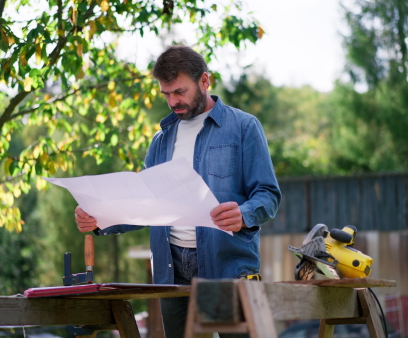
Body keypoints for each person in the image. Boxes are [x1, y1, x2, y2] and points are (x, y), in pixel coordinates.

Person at [74, 45, 281, 338]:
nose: (173, 101)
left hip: (227, 266)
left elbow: (268, 195)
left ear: (205, 81)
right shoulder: (160, 141)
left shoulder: (244, 127)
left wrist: (244, 214)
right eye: (166, 94)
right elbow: (146, 205)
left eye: (180, 92)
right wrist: (99, 219)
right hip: (172, 271)